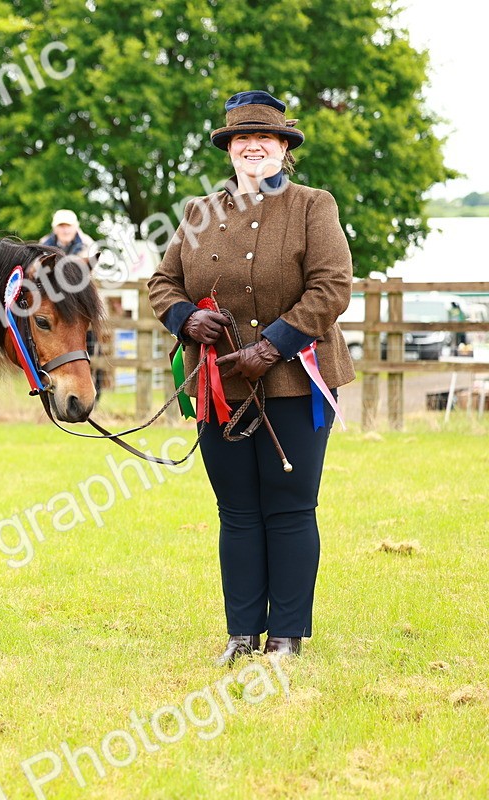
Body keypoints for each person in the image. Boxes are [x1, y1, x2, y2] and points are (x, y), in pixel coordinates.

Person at [147, 90, 355, 665]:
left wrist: (273, 346)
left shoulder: (315, 206)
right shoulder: (197, 213)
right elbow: (161, 284)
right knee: (236, 511)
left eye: (266, 138)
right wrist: (187, 318)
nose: (253, 147)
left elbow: (332, 286)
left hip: (294, 382)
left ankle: (286, 636)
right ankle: (242, 634)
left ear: (284, 147)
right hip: (220, 389)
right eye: (242, 140)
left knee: (289, 507)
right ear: (230, 151)